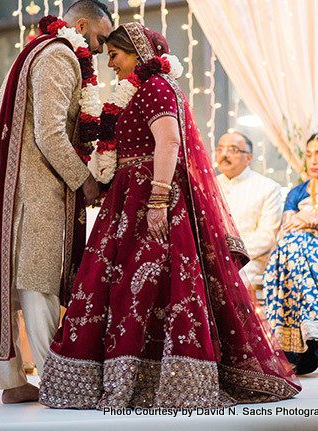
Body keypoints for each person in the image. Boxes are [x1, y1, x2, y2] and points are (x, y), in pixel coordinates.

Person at [39, 22, 300, 409]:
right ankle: (128, 373)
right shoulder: (142, 91)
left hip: (150, 199)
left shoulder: (157, 87)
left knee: (150, 283)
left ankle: (165, 378)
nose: (109, 63)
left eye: (115, 54)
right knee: (128, 285)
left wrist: (158, 200)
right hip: (130, 200)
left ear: (138, 53)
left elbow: (169, 141)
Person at [0, 0, 113, 403]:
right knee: (38, 284)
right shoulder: (59, 56)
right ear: (80, 28)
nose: (100, 49)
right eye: (100, 37)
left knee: (15, 285)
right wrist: (85, 181)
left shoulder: (38, 50)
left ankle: (13, 384)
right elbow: (50, 132)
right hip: (31, 190)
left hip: (16, 185)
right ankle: (57, 382)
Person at [263, 131, 318, 375]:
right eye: (310, 154)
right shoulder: (297, 193)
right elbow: (285, 231)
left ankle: (301, 347)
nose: (312, 160)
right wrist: (302, 226)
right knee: (291, 246)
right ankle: (310, 336)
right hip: (296, 257)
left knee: (297, 250)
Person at [216, 132, 283, 286]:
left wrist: (230, 253)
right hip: (211, 256)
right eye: (220, 149)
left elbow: (267, 236)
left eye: (233, 150)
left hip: (248, 261)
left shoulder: (268, 188)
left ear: (248, 158)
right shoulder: (207, 185)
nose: (224, 154)